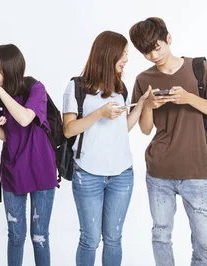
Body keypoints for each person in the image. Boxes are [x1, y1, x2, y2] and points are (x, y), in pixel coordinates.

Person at [129, 17, 207, 266]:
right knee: (161, 235)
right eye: (146, 52)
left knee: (206, 243)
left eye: (157, 47)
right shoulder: (143, 79)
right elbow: (145, 129)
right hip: (159, 171)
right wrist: (148, 105)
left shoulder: (198, 68)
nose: (153, 56)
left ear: (168, 39)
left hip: (196, 170)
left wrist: (189, 98)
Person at [62, 31, 149, 266]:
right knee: (90, 239)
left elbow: (123, 129)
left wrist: (141, 105)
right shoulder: (77, 87)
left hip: (122, 174)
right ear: (107, 55)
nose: (126, 60)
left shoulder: (121, 89)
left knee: (113, 239)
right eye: (122, 55)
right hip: (88, 174)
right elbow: (69, 130)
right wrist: (99, 113)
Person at [0, 44, 56, 266]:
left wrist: (1, 93)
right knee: (15, 236)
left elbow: (24, 119)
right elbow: (2, 135)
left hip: (41, 169)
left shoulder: (34, 88)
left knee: (40, 236)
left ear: (9, 68)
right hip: (13, 170)